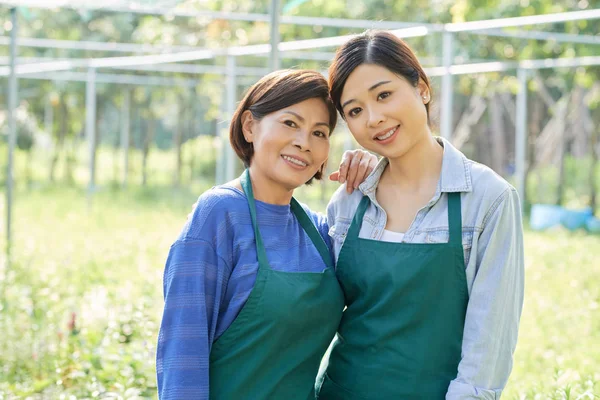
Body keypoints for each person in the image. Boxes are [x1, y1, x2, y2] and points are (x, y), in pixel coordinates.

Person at [317, 30, 525, 399]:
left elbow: (488, 346)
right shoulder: (348, 201)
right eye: (355, 111)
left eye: (384, 95)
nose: (374, 118)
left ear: (422, 88)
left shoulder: (487, 199)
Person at [156, 69, 377, 400]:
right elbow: (182, 353)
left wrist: (376, 179)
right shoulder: (218, 215)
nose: (304, 142)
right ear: (249, 126)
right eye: (290, 123)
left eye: (319, 132)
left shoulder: (320, 233)